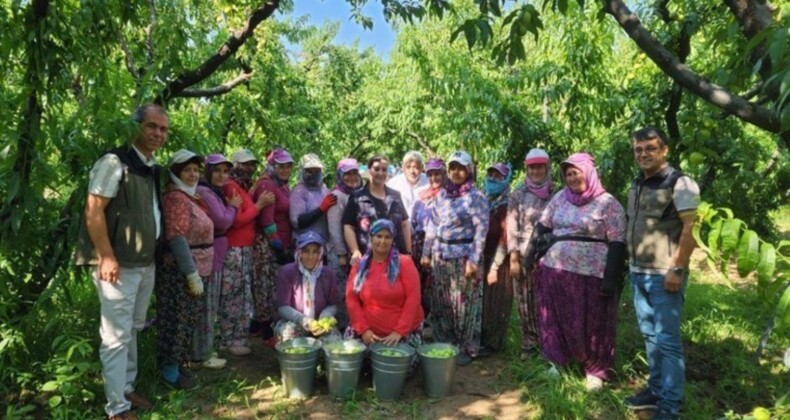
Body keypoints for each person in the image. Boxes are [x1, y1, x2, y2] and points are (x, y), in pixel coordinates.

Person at [74, 103, 167, 419]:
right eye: (152, 126)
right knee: (115, 335)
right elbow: (93, 210)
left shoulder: (150, 166)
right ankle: (116, 409)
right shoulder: (115, 162)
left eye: (163, 129)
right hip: (118, 265)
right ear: (136, 126)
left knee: (133, 329)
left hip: (144, 264)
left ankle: (125, 390)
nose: (158, 133)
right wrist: (106, 256)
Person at [529, 152, 626, 391]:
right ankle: (557, 360)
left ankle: (596, 370)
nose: (572, 178)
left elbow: (617, 242)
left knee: (595, 321)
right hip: (555, 271)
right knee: (555, 318)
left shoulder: (608, 203)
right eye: (568, 174)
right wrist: (528, 257)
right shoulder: (560, 198)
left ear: (589, 173)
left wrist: (610, 279)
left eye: (576, 172)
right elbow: (542, 226)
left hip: (593, 274)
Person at [624, 127, 699, 420]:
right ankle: (655, 391)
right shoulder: (638, 183)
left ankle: (670, 407)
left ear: (664, 150)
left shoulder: (680, 183)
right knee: (650, 337)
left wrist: (677, 269)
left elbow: (691, 230)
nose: (643, 154)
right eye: (638, 149)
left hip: (664, 275)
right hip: (638, 272)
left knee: (667, 341)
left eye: (650, 148)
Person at [420, 151, 489, 366]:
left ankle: (466, 346)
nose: (456, 172)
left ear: (468, 170)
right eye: (452, 168)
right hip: (441, 256)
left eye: (460, 168)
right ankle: (445, 342)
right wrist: (426, 253)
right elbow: (432, 226)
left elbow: (481, 230)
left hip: (464, 258)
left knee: (466, 305)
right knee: (444, 302)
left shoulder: (477, 197)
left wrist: (474, 260)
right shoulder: (442, 195)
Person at [155, 150, 213, 390]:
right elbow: (177, 237)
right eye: (187, 170)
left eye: (196, 170)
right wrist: (191, 274)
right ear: (176, 173)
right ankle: (169, 374)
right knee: (177, 320)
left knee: (186, 320)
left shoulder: (192, 196)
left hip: (198, 266)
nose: (192, 174)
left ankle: (178, 368)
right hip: (181, 271)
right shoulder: (176, 198)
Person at [218, 150, 271, 356]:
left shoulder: (243, 187)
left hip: (245, 248)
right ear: (235, 165)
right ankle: (228, 340)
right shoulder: (231, 186)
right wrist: (259, 206)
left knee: (242, 293)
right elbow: (237, 220)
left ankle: (238, 337)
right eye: (245, 164)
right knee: (233, 294)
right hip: (235, 248)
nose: (249, 168)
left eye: (252, 165)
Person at [193, 153, 242, 370]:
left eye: (225, 171)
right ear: (208, 172)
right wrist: (232, 207)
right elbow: (222, 220)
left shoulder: (215, 192)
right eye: (217, 171)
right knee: (207, 305)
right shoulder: (206, 192)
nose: (222, 175)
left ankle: (204, 349)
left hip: (216, 252)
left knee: (210, 303)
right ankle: (202, 354)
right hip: (208, 255)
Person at [345, 219, 424, 349]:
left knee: (400, 364)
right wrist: (363, 329)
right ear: (371, 238)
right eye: (379, 236)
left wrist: (399, 331)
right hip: (367, 329)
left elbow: (413, 299)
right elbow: (351, 299)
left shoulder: (404, 263)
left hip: (402, 329)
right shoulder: (359, 266)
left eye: (387, 237)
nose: (383, 241)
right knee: (351, 358)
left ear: (393, 240)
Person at [506, 149, 553, 360]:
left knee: (546, 300)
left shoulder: (557, 192)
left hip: (550, 254)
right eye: (531, 167)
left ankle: (549, 344)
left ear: (547, 167)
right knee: (524, 300)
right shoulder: (518, 193)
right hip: (524, 252)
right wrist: (514, 257)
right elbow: (511, 226)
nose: (535, 171)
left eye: (539, 166)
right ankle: (529, 343)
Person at [250, 148, 295, 341]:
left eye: (288, 166)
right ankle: (264, 326)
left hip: (282, 241)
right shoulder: (267, 185)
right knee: (264, 285)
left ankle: (266, 323)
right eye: (281, 166)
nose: (285, 170)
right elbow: (267, 222)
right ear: (271, 166)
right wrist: (278, 247)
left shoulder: (282, 185)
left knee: (273, 284)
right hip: (266, 244)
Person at [342, 155, 412, 265]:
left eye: (384, 170)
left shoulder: (395, 196)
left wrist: (408, 252)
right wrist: (355, 251)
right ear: (369, 170)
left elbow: (405, 224)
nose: (380, 173)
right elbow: (348, 226)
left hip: (396, 257)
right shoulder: (357, 198)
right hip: (368, 259)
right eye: (376, 169)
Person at [274, 231, 339, 342]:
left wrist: (324, 318)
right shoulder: (287, 272)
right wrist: (304, 320)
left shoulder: (328, 274)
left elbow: (332, 305)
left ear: (320, 253)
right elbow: (282, 307)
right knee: (289, 338)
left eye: (315, 252)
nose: (310, 257)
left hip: (319, 323)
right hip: (294, 322)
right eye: (305, 251)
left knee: (334, 341)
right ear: (299, 252)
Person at [480, 163, 513, 355]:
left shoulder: (506, 205)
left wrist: (494, 266)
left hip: (499, 261)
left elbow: (505, 238)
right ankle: (483, 338)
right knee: (484, 300)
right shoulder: (485, 202)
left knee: (497, 300)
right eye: (490, 174)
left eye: (498, 176)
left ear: (506, 179)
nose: (493, 179)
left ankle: (493, 343)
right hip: (484, 257)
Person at [326, 158, 363, 328]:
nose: (352, 177)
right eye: (347, 174)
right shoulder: (336, 195)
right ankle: (341, 327)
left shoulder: (358, 193)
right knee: (342, 292)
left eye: (355, 173)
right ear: (340, 175)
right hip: (339, 251)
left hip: (355, 250)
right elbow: (334, 228)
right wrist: (341, 253)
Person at [411, 158, 446, 315]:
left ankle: (435, 319)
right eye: (430, 174)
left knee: (436, 286)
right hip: (419, 245)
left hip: (438, 246)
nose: (434, 178)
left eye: (437, 174)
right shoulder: (421, 197)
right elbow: (412, 222)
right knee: (418, 284)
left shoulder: (449, 196)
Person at [289, 153, 336, 240]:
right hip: (305, 244)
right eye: (309, 171)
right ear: (302, 171)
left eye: (316, 171)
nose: (313, 174)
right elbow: (297, 222)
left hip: (323, 243)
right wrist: (320, 209)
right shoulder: (298, 192)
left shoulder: (324, 189)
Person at [386, 151, 428, 220]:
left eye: (416, 167)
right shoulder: (393, 184)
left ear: (421, 168)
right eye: (408, 167)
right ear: (403, 167)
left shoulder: (428, 182)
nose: (412, 171)